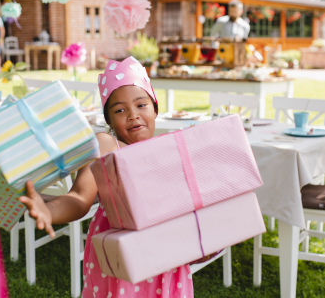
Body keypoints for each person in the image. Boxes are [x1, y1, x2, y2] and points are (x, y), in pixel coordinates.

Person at [19, 57, 195, 297]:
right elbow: (80, 197)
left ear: (155, 109)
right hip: (121, 255)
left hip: (167, 255)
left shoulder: (171, 149)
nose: (133, 115)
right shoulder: (108, 146)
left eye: (141, 105)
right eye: (120, 110)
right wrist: (49, 210)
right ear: (109, 121)